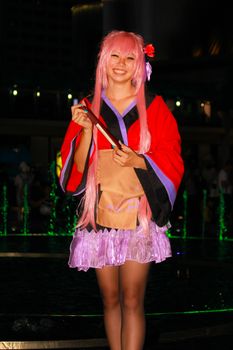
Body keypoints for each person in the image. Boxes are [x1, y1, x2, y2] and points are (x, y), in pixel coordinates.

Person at [59, 30, 184, 350]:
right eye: (114, 55)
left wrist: (139, 160)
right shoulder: (88, 107)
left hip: (138, 215)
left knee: (132, 298)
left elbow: (172, 157)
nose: (121, 64)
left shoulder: (155, 107)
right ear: (103, 60)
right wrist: (85, 131)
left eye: (130, 57)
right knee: (110, 298)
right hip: (100, 214)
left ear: (141, 64)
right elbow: (73, 171)